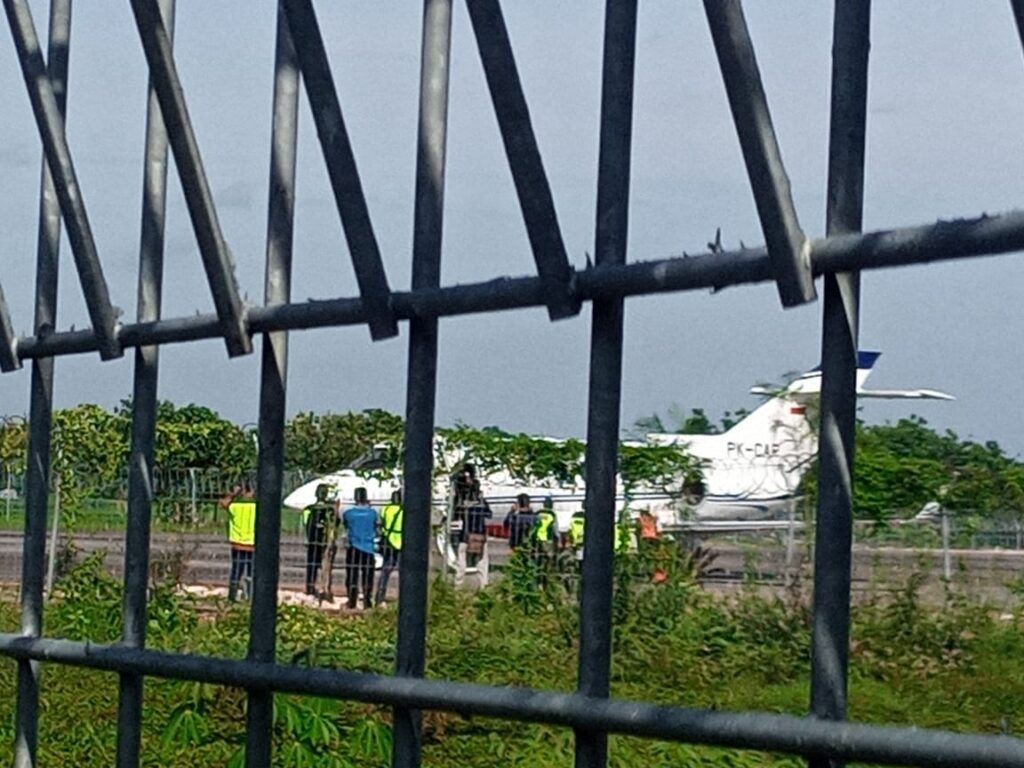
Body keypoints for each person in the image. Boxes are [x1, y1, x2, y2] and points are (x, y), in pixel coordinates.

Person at [342, 487, 379, 609]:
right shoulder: (373, 513)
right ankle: (367, 601)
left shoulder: (349, 514)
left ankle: (352, 600)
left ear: (355, 498)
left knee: (352, 574)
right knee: (368, 575)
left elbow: (346, 525)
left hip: (353, 547)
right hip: (368, 548)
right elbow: (377, 526)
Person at [219, 481, 256, 602]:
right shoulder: (256, 507)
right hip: (253, 544)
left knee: (236, 571)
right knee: (251, 571)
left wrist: (232, 494)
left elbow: (223, 503)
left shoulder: (234, 507)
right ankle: (250, 596)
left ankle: (232, 596)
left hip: (238, 545)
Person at [303, 484, 337, 597]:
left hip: (312, 540)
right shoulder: (330, 510)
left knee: (311, 565)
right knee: (326, 567)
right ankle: (325, 589)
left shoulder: (308, 509)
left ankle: (309, 587)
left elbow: (304, 524)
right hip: (325, 541)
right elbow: (334, 525)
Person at [374, 489, 403, 606]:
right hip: (401, 542)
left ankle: (379, 597)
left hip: (388, 541)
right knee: (403, 571)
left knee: (385, 570)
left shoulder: (385, 509)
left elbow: (381, 524)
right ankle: (404, 596)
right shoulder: (404, 510)